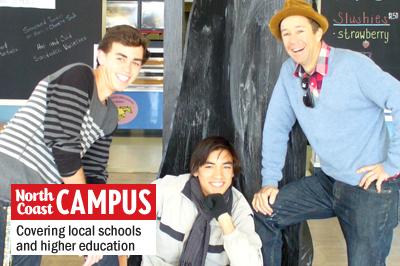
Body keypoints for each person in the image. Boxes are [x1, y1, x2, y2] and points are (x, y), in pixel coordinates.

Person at [251, 0, 400, 265]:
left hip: (370, 188)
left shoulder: (353, 65)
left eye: (300, 30)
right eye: (286, 33)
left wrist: (393, 163)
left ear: (318, 32)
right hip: (329, 181)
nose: (293, 40)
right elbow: (276, 127)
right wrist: (269, 181)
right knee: (265, 212)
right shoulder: (289, 73)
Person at [0, 25, 149, 266]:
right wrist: (86, 222)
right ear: (101, 56)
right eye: (120, 58)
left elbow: (94, 175)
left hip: (34, 202)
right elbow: (64, 147)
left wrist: (100, 230)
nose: (128, 69)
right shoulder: (79, 77)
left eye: (136, 62)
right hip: (7, 190)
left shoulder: (110, 115)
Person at [141, 136, 263, 266]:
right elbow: (119, 226)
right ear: (195, 170)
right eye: (209, 167)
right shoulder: (168, 188)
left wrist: (225, 219)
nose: (218, 175)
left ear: (233, 172)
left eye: (226, 167)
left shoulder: (239, 208)